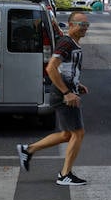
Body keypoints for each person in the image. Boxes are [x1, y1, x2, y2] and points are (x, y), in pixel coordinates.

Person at [16, 12, 90, 186]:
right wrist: (67, 92)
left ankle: (28, 150)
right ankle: (65, 175)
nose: (85, 28)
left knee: (67, 134)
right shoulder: (65, 43)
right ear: (71, 25)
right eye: (81, 24)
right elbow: (51, 68)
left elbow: (65, 69)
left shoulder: (71, 43)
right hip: (63, 96)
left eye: (87, 25)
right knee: (78, 133)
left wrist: (76, 85)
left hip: (66, 92)